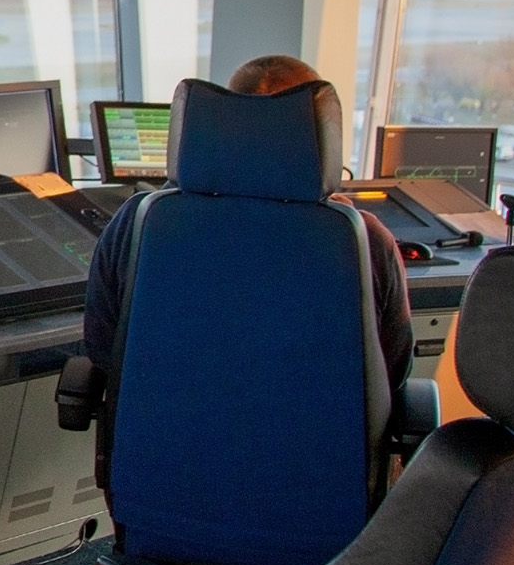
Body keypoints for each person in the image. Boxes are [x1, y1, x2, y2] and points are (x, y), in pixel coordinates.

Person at [81, 53, 413, 395]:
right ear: (319, 137)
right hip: (320, 446)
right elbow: (390, 370)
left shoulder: (140, 222)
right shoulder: (362, 236)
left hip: (158, 442)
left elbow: (104, 349)